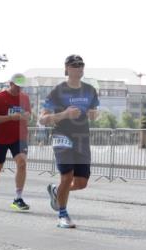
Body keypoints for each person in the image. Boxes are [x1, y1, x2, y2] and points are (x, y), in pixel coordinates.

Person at [38, 55, 100, 228]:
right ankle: (62, 215)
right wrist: (64, 114)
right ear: (67, 68)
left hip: (82, 138)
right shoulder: (58, 91)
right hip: (62, 136)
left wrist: (94, 114)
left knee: (81, 183)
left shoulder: (90, 90)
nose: (79, 67)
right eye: (75, 65)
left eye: (81, 64)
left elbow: (94, 112)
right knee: (67, 176)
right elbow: (42, 119)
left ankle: (57, 191)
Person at [0, 74, 32, 211]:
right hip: (0, 137)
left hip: (20, 136)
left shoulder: (24, 97)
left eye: (21, 86)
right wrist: (10, 117)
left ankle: (18, 198)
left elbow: (29, 114)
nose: (19, 89)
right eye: (17, 85)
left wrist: (25, 116)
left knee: (22, 163)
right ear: (10, 83)